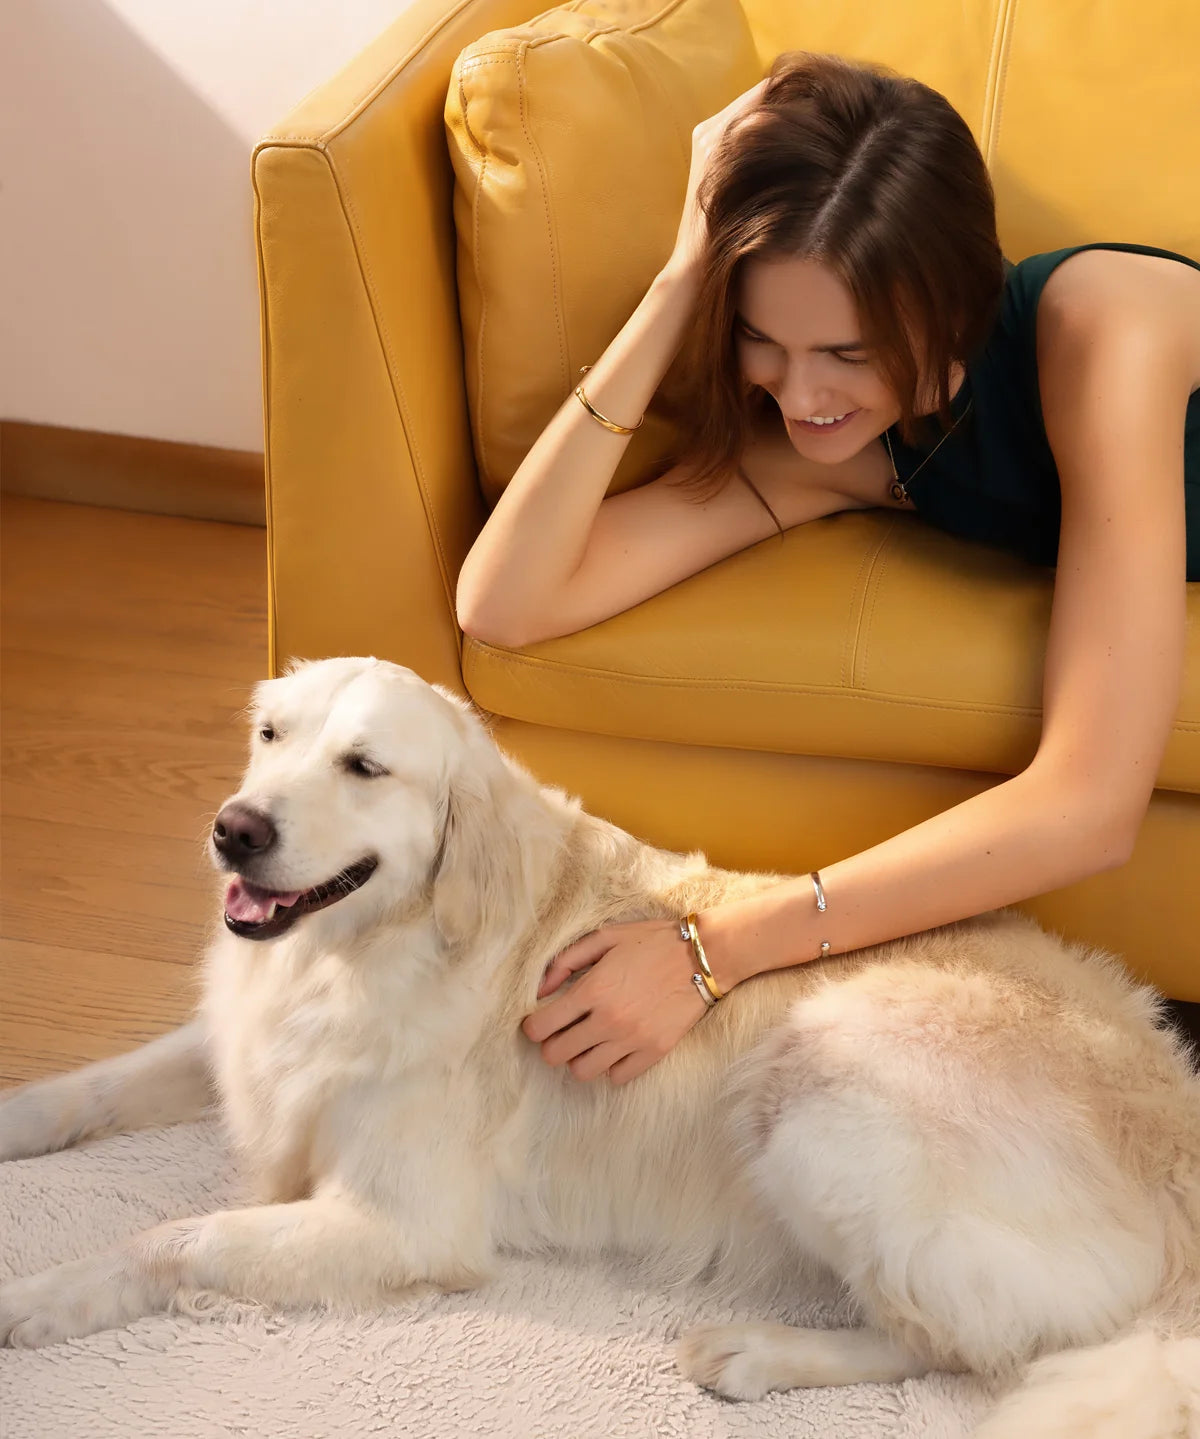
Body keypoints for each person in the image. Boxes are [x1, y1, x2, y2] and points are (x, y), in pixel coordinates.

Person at [455, 52, 1200, 1088]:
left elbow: (1089, 805)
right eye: (762, 339)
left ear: (949, 308)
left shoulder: (1104, 327)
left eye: (848, 353)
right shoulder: (837, 453)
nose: (800, 397)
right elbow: (505, 601)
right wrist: (681, 279)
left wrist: (715, 950)